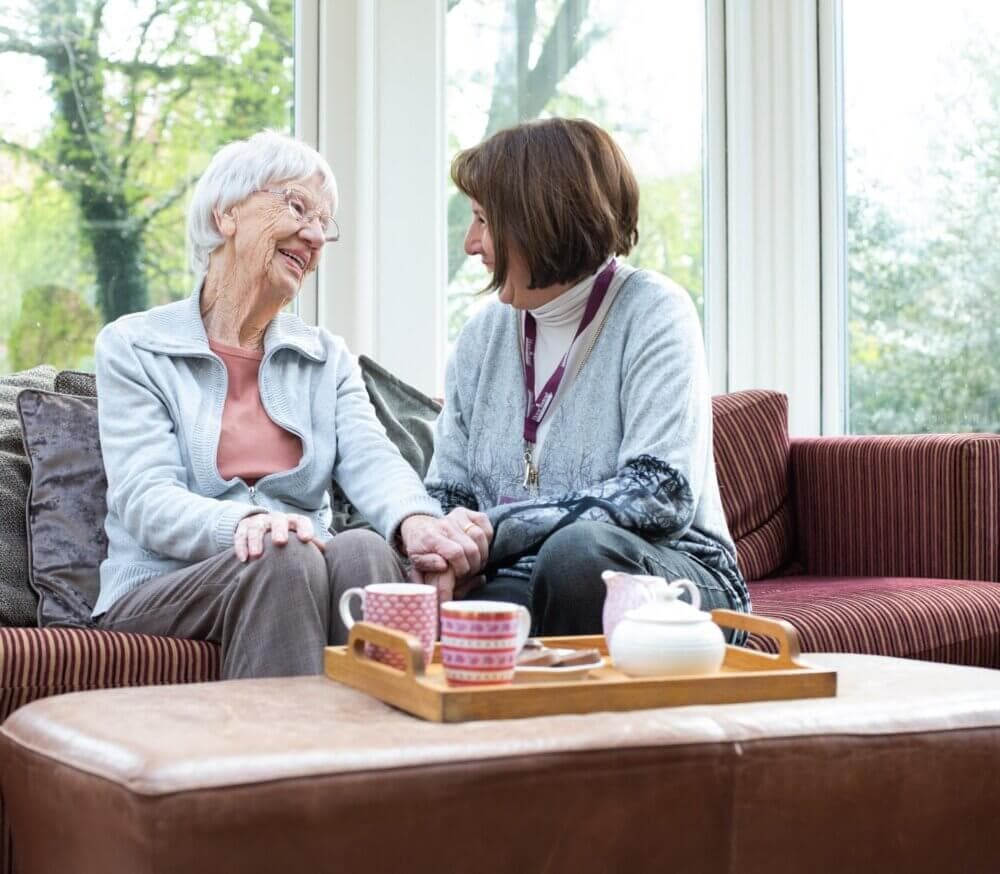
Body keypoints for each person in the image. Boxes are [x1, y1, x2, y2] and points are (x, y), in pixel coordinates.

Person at [93, 130, 489, 677]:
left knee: (364, 551)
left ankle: (380, 756)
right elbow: (145, 497)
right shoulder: (135, 346)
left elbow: (372, 458)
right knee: (280, 553)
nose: (315, 235)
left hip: (297, 564)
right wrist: (246, 525)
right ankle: (286, 757)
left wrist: (417, 522)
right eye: (298, 207)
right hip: (166, 585)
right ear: (226, 215)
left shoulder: (326, 358)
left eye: (324, 224)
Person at [420, 118, 750, 637]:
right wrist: (445, 547)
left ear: (539, 220)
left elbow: (659, 494)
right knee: (431, 591)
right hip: (516, 575)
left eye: (484, 219)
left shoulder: (654, 310)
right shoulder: (483, 335)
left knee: (578, 556)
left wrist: (495, 530)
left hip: (670, 577)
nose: (471, 243)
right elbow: (446, 491)